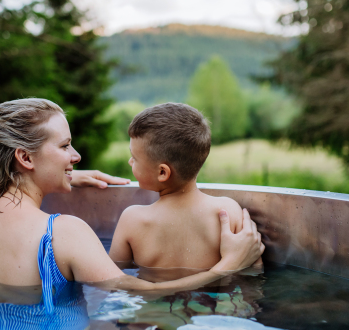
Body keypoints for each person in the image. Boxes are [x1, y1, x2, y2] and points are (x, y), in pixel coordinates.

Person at [0, 98, 263, 317]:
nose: (76, 157)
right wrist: (226, 268)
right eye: (64, 146)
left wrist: (53, 176)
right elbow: (139, 291)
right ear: (25, 157)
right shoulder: (64, 234)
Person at [109, 103, 263, 273]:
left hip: (153, 299)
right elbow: (254, 268)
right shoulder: (227, 212)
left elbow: (112, 278)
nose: (130, 162)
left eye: (134, 157)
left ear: (162, 172)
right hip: (212, 299)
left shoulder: (133, 220)